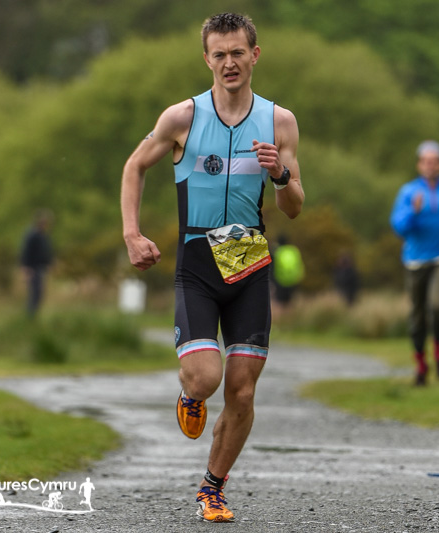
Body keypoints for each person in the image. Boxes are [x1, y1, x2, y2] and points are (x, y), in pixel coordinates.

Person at [120, 12, 304, 523]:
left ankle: (213, 487)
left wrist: (282, 173)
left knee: (242, 390)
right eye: (219, 54)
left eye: (237, 53)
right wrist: (132, 234)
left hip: (248, 260)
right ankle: (190, 393)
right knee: (205, 377)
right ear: (207, 59)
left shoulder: (278, 121)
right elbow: (135, 166)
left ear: (255, 56)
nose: (229, 63)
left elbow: (294, 205)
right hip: (198, 261)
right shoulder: (182, 118)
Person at [390, 140, 439, 386]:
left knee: (436, 306)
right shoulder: (409, 192)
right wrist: (413, 211)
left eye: (435, 161)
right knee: (417, 317)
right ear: (419, 165)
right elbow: (399, 227)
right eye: (426, 162)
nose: (431, 166)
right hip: (415, 261)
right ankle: (422, 365)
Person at [19, 209, 53, 318]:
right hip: (33, 268)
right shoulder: (31, 235)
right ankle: (30, 316)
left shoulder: (43, 235)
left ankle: (34, 315)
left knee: (39, 292)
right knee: (34, 293)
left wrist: (48, 263)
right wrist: (26, 268)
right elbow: (26, 252)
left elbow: (45, 252)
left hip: (40, 267)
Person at [270, 234, 305, 309]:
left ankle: (284, 319)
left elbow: (272, 267)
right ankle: (291, 318)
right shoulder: (293, 250)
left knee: (281, 303)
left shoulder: (276, 251)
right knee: (291, 301)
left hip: (280, 279)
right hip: (293, 279)